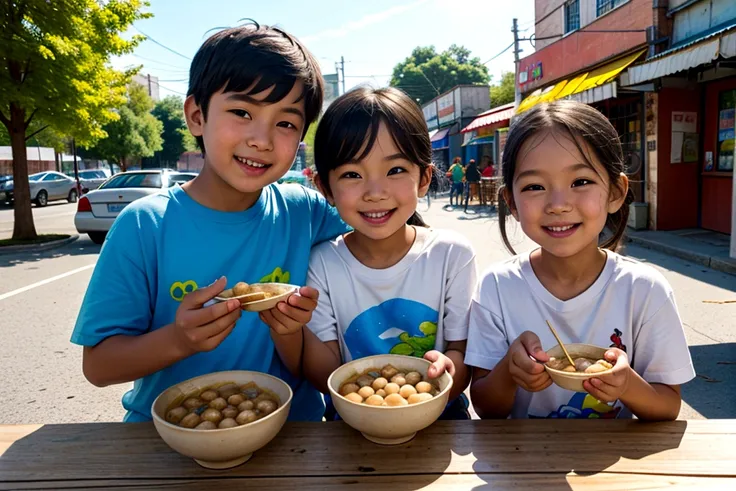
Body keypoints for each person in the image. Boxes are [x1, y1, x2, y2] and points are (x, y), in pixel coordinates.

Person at [71, 22, 349, 423]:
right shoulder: (145, 225)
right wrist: (179, 339)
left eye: (286, 123)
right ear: (197, 116)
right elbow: (98, 366)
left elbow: (378, 237)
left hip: (295, 436)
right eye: (241, 112)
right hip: (172, 436)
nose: (262, 139)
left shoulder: (304, 210)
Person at [465, 100, 694, 421]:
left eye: (581, 182)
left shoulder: (644, 290)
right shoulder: (497, 287)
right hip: (520, 463)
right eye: (534, 186)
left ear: (615, 192)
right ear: (512, 203)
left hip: (614, 464)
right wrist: (509, 372)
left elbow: (668, 406)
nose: (558, 204)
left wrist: (626, 384)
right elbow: (485, 406)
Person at [273, 87, 477, 420]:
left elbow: (459, 353)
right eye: (352, 175)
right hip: (352, 419)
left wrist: (448, 369)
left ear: (424, 178)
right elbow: (325, 372)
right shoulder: (323, 263)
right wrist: (288, 329)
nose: (375, 193)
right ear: (325, 187)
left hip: (441, 415)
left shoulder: (451, 254)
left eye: (395, 170)